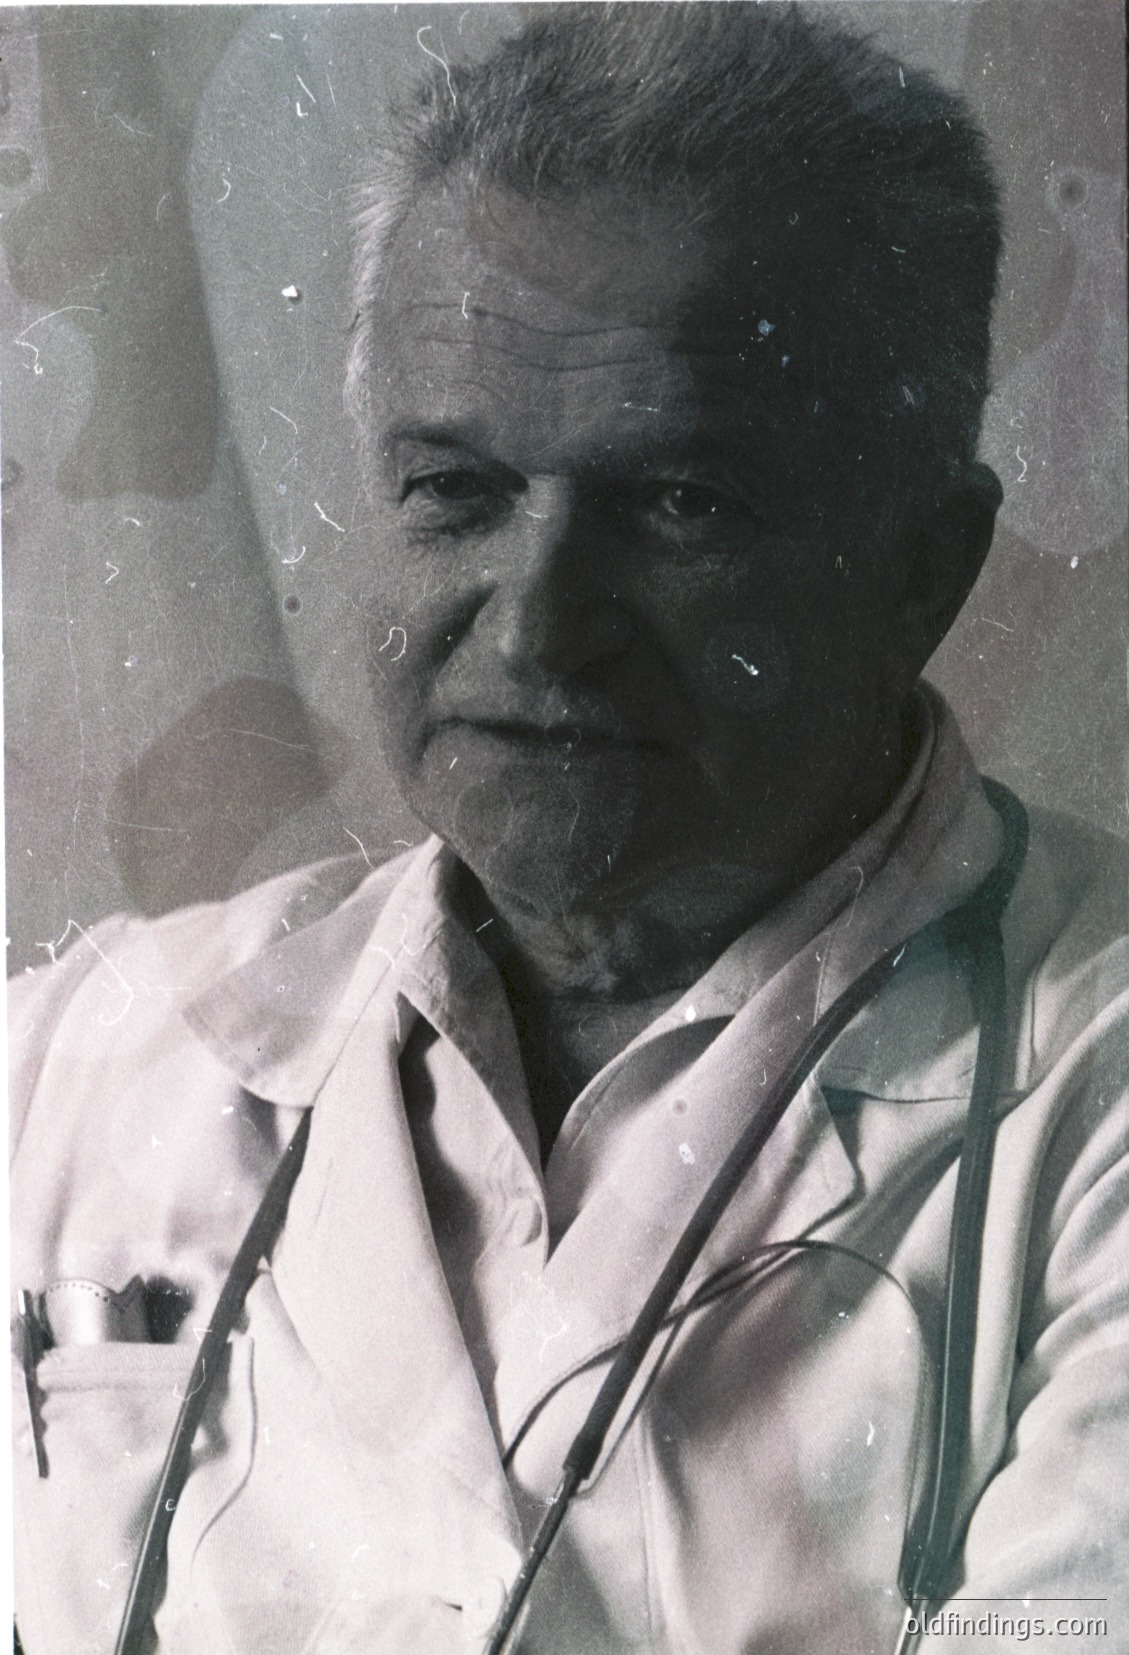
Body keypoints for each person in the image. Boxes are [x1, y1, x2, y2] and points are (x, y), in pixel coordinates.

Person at [9, 7, 1128, 1653]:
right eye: (455, 492)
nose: (535, 628)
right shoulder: (69, 1061)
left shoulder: (1088, 1093)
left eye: (681, 504)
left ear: (922, 568)